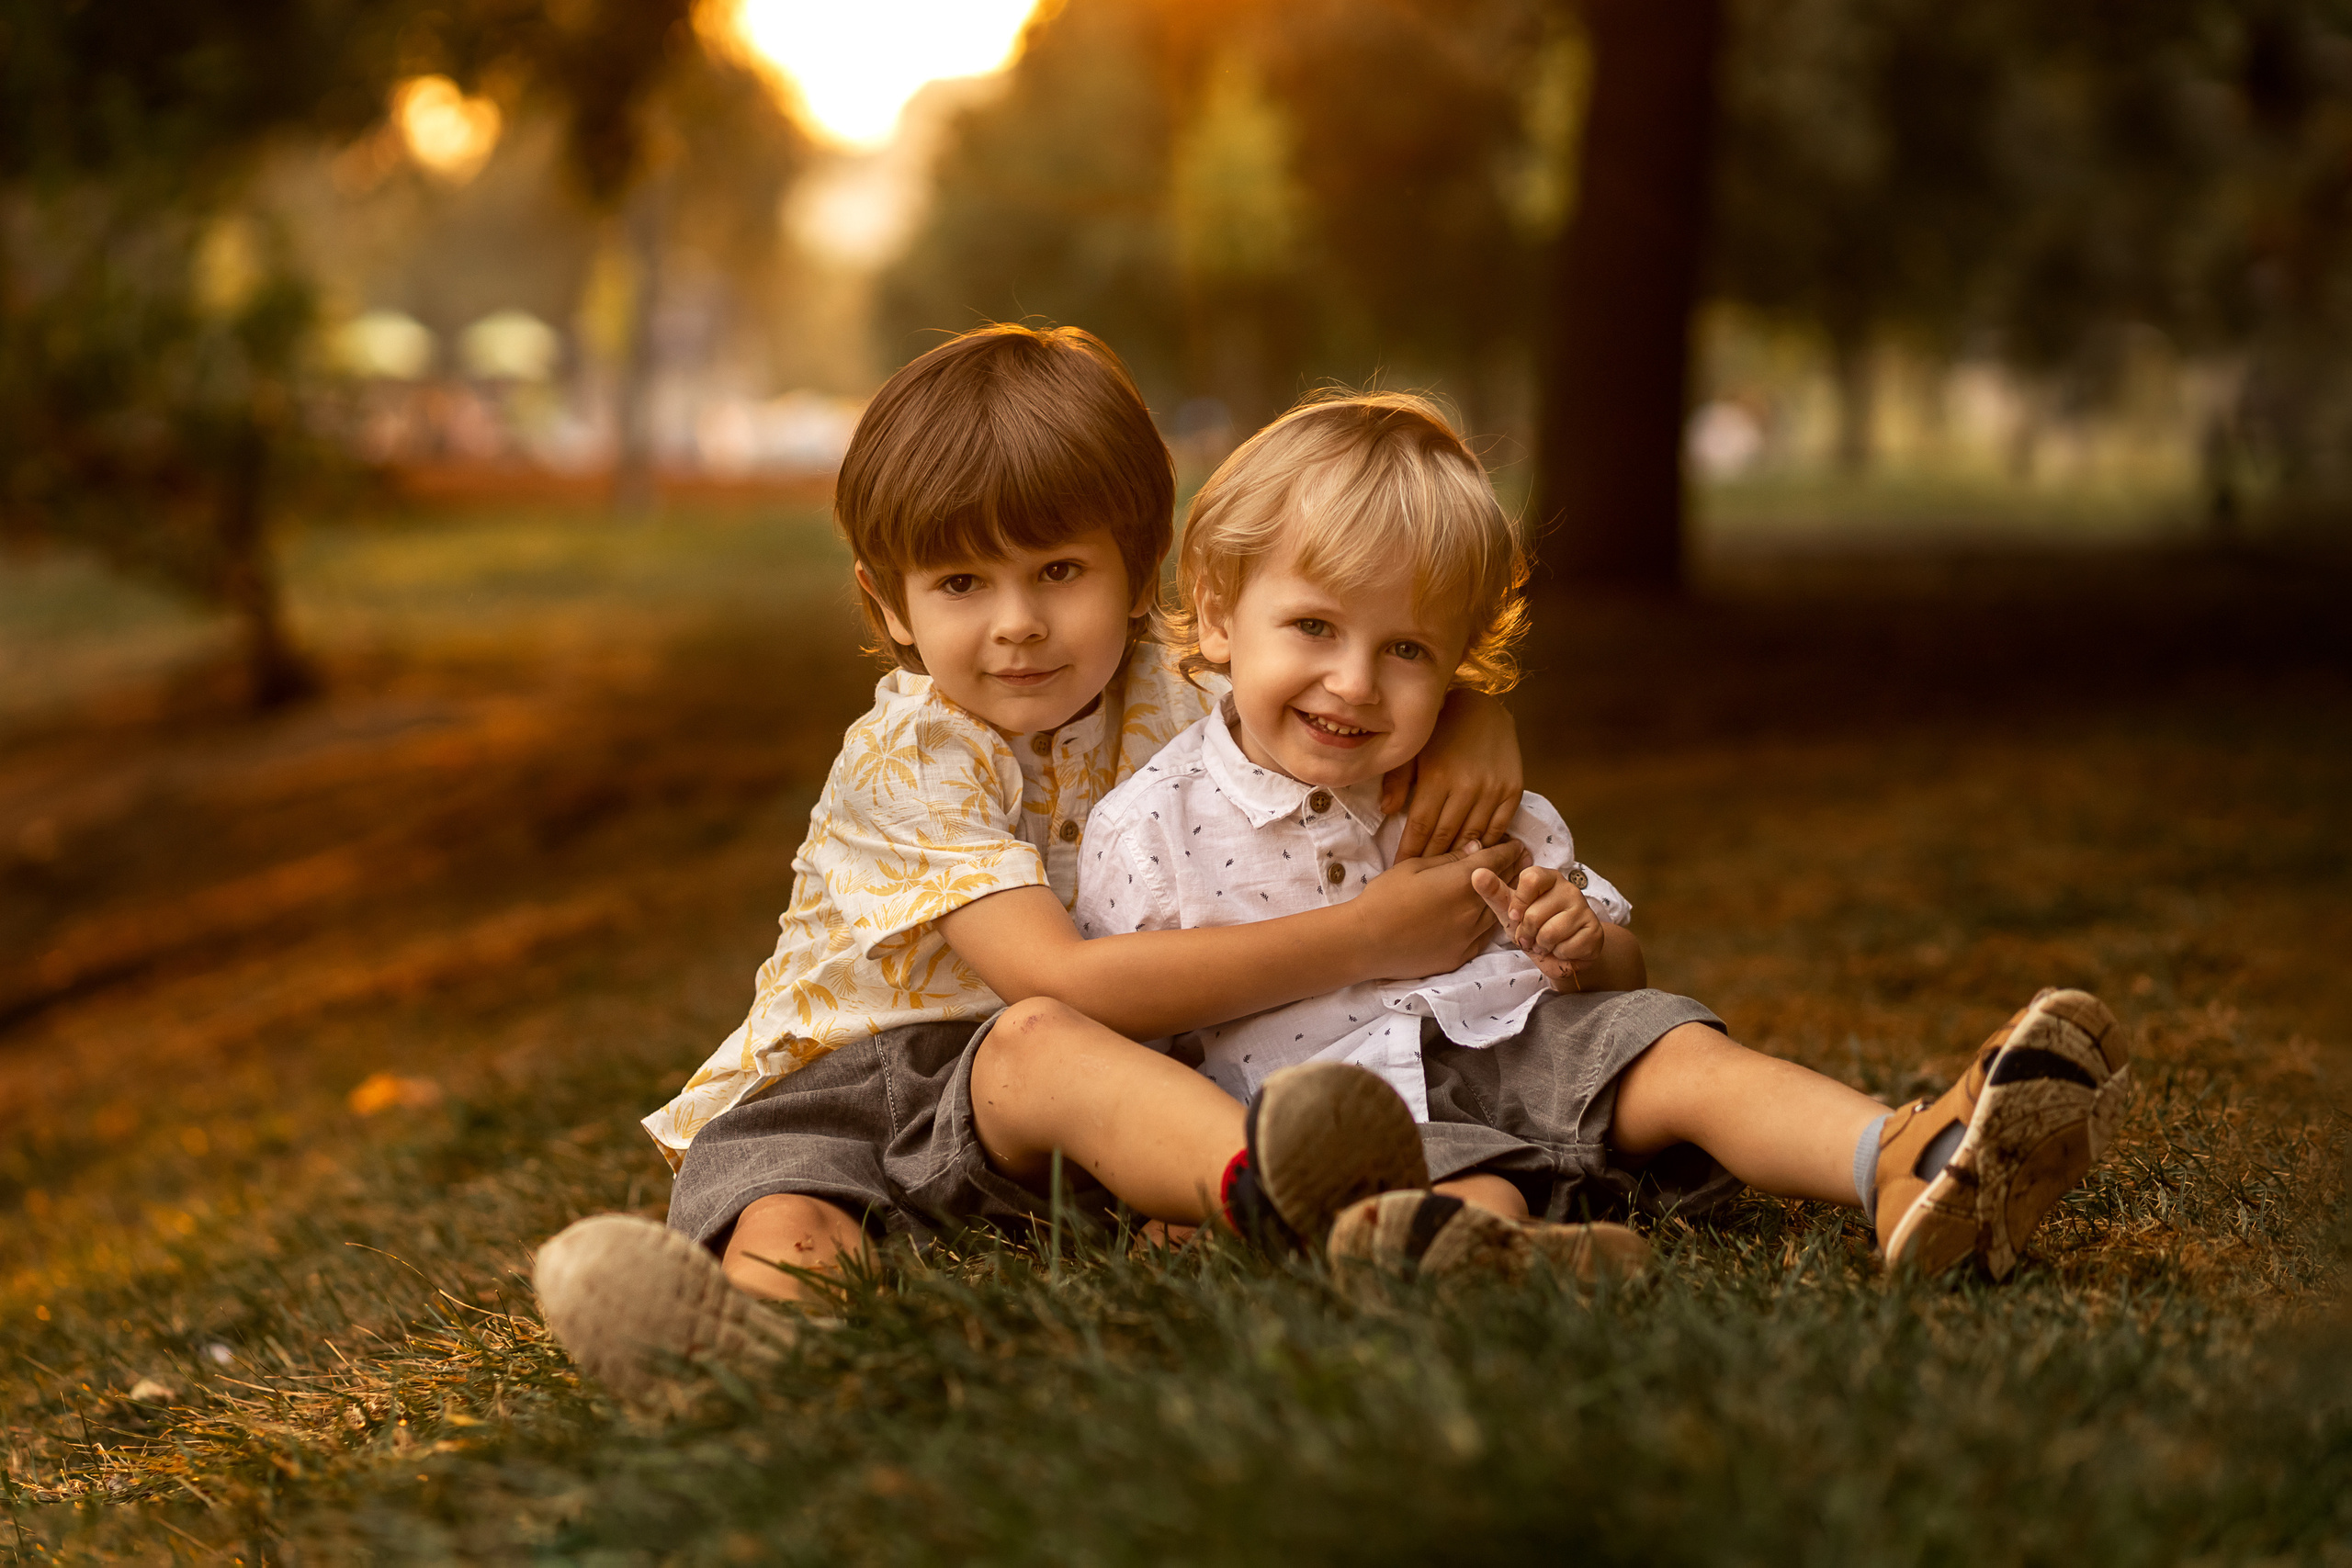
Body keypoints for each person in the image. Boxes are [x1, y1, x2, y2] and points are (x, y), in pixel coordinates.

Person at [532, 326, 1532, 1402]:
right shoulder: (912, 756)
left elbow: (1351, 674)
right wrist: (1365, 934)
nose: (1017, 625)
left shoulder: (1191, 688)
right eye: (961, 583)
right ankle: (764, 1356)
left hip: (1062, 1108)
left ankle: (1328, 1211)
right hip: (837, 1099)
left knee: (1057, 1062)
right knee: (795, 1222)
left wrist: (1475, 718)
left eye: (1058, 570)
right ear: (887, 605)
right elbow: (1059, 981)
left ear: (1143, 565)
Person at [1069, 391, 2135, 1289]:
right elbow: (1127, 1058)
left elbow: (1619, 974)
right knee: (1441, 1187)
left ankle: (1904, 1158)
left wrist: (1578, 945)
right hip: (1355, 1113)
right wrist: (1180, 1191)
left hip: (1523, 1048)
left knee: (1677, 1050)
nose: (1353, 683)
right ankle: (1526, 1257)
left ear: (1454, 667)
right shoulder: (1149, 827)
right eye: (1313, 629)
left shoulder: (1459, 788)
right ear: (1215, 617)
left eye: (1404, 649)